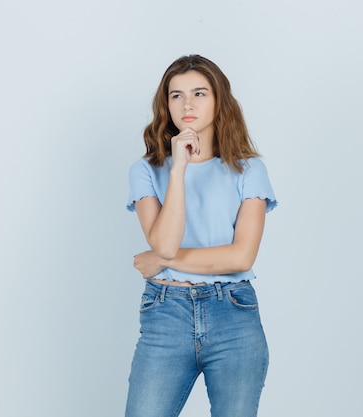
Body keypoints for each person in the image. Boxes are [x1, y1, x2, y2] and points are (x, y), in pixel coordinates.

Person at [125, 54, 277, 417]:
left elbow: (241, 258)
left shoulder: (248, 169)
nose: (187, 104)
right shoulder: (146, 171)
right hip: (166, 313)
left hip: (234, 314)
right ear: (166, 105)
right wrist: (178, 170)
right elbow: (163, 243)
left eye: (199, 93)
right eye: (176, 95)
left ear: (219, 99)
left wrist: (161, 261)